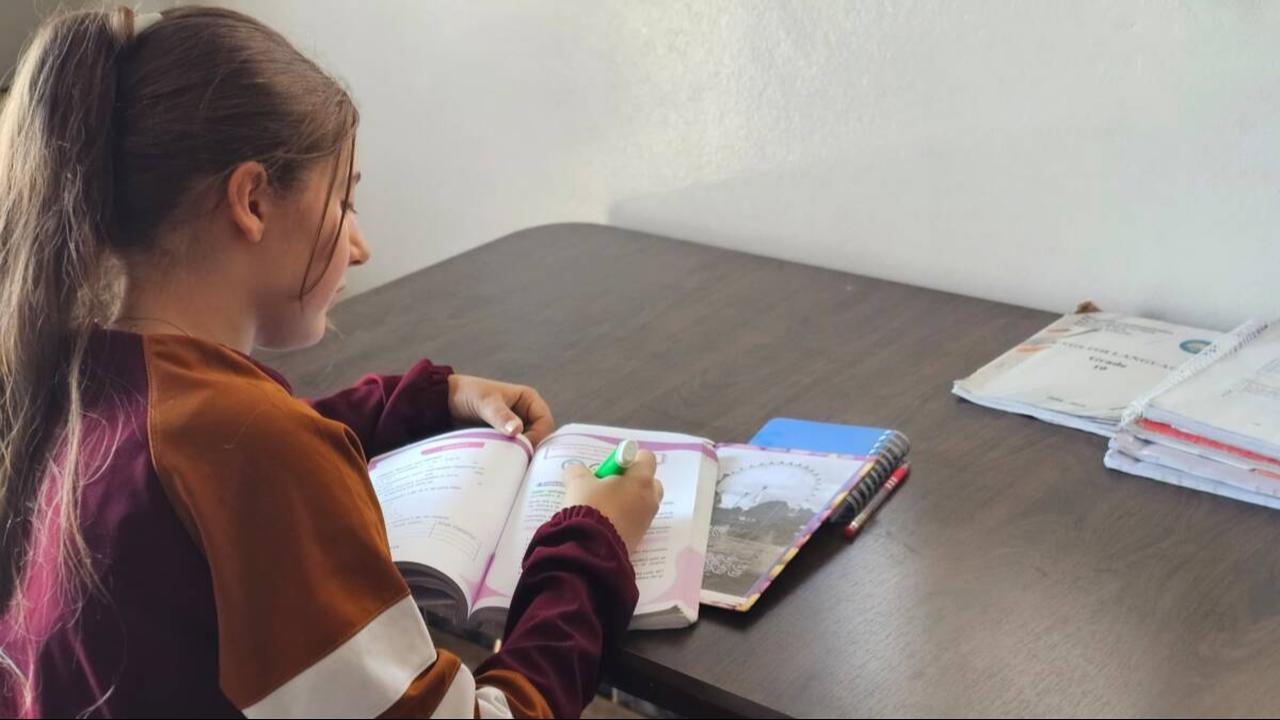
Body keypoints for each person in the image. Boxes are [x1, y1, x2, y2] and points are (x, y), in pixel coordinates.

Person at [0, 6, 662, 717]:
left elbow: (202, 460)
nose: (360, 246)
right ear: (252, 199)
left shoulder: (68, 372)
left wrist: (417, 401)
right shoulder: (247, 447)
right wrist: (590, 541)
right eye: (343, 201)